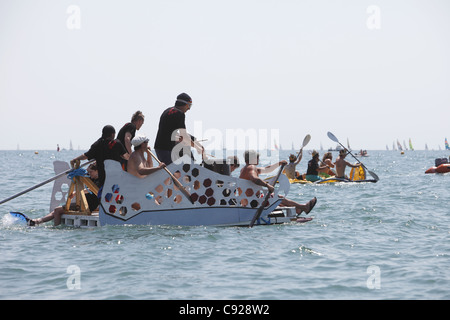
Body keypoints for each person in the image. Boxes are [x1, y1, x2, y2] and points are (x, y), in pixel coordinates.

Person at [239, 150, 317, 215]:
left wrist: (279, 163)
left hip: (249, 201)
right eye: (257, 158)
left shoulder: (245, 169)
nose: (258, 159)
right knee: (278, 197)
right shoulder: (251, 167)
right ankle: (304, 207)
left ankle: (298, 210)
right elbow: (254, 178)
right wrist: (267, 185)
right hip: (253, 202)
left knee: (274, 198)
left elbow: (267, 169)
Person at [30, 163, 100, 226]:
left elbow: (91, 189)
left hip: (88, 206)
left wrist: (75, 193)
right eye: (89, 172)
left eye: (91, 172)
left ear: (97, 171)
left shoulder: (99, 180)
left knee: (57, 210)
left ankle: (55, 227)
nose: (89, 173)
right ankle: (37, 221)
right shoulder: (91, 177)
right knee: (56, 211)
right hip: (83, 204)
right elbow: (81, 172)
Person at [154, 93, 204, 165]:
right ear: (185, 104)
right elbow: (184, 137)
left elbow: (171, 132)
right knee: (174, 173)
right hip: (166, 149)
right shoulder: (180, 114)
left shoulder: (167, 111)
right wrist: (198, 147)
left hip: (160, 147)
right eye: (189, 106)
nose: (189, 109)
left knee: (174, 172)